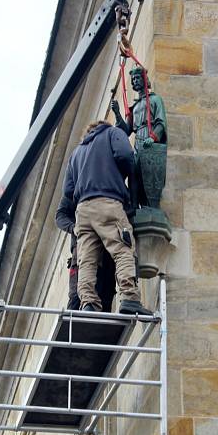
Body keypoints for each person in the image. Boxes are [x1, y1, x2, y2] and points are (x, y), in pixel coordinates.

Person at [62, 120, 152, 316]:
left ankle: (88, 303)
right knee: (122, 249)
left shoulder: (76, 153)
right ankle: (129, 297)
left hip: (83, 211)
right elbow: (126, 155)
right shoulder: (113, 132)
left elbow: (68, 190)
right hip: (108, 202)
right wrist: (123, 177)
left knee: (87, 259)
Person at [111, 65, 168, 209]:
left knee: (148, 174)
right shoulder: (135, 107)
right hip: (137, 142)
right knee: (134, 174)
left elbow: (161, 122)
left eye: (138, 78)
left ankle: (150, 206)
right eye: (133, 79)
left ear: (144, 80)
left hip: (149, 139)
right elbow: (126, 130)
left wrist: (153, 137)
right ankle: (135, 206)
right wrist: (117, 113)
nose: (135, 81)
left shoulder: (155, 100)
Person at [55, 194, 115, 312]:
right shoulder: (76, 189)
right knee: (77, 297)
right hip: (82, 248)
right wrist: (75, 228)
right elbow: (60, 216)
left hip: (107, 248)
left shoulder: (107, 185)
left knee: (106, 295)